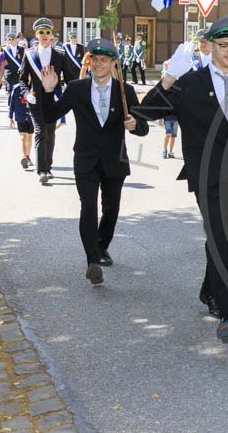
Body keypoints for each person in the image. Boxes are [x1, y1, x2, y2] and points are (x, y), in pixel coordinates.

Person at [133, 16, 228, 343]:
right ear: (210, 46)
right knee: (218, 236)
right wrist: (169, 78)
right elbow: (144, 113)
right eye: (224, 45)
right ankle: (227, 314)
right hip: (205, 175)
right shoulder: (190, 83)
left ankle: (207, 290)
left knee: (223, 238)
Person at [37, 38, 149, 285]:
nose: (98, 64)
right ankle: (92, 261)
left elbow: (143, 128)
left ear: (113, 64)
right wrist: (47, 91)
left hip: (115, 160)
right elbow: (50, 115)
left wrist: (135, 125)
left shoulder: (125, 91)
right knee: (88, 207)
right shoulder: (76, 88)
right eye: (94, 59)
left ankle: (101, 245)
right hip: (85, 159)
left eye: (104, 60)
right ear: (89, 62)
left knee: (111, 209)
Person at [19, 18, 67, 184]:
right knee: (40, 132)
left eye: (48, 32)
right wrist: (27, 94)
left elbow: (70, 78)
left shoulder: (60, 55)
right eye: (41, 32)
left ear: (52, 35)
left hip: (53, 99)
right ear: (36, 35)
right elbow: (22, 80)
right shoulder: (29, 55)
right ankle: (42, 170)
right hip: (35, 100)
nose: (45, 35)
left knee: (50, 133)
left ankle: (48, 166)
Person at [8, 79, 34, 169]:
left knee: (29, 137)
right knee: (23, 137)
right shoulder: (16, 88)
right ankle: (23, 157)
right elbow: (11, 103)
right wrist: (10, 117)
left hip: (32, 117)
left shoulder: (34, 87)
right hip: (20, 116)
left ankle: (27, 156)